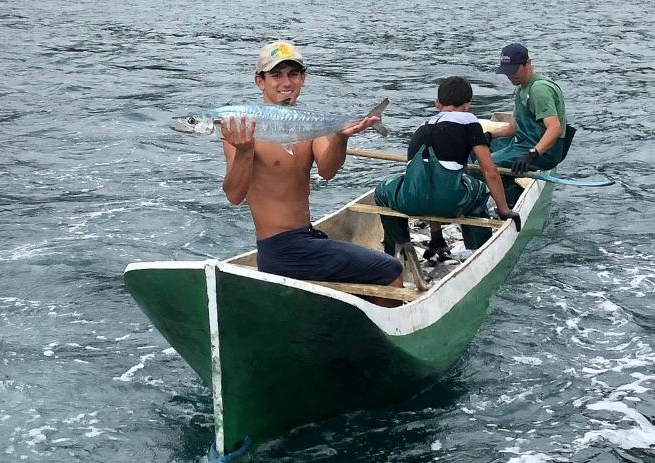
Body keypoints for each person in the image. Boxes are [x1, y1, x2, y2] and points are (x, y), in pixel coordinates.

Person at [220, 40, 405, 305]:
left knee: (363, 281)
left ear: (303, 79)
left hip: (307, 237)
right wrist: (246, 150)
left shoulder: (307, 124)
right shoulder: (241, 129)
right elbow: (234, 196)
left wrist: (341, 138)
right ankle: (388, 339)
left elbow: (328, 170)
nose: (286, 82)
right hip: (280, 249)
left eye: (293, 74)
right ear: (260, 81)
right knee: (391, 270)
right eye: (276, 75)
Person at [374, 76, 521, 261]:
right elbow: (490, 171)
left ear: (437, 103)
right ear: (468, 105)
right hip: (450, 203)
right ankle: (479, 249)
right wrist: (504, 209)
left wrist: (436, 235)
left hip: (409, 201)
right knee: (479, 189)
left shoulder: (422, 127)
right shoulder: (469, 123)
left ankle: (401, 243)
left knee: (381, 191)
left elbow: (428, 178)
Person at [490, 43, 575, 204]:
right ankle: (507, 187)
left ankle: (509, 203)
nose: (510, 77)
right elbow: (516, 126)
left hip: (545, 152)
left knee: (486, 165)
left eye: (514, 71)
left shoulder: (539, 89)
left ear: (527, 63)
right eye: (507, 73)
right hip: (525, 144)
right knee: (480, 152)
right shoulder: (521, 88)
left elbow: (554, 128)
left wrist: (532, 154)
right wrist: (491, 134)